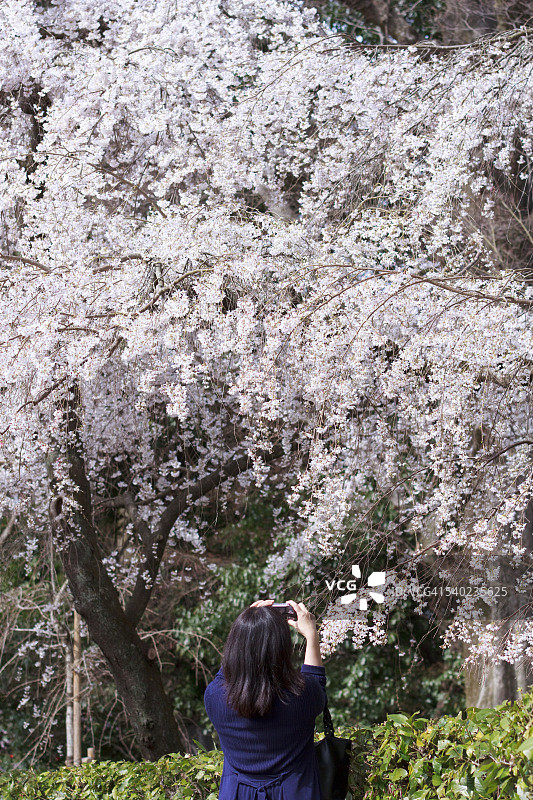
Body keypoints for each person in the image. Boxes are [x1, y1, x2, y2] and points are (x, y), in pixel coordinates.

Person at [204, 598, 326, 800]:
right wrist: (312, 636)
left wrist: (246, 627)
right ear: (282, 648)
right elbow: (316, 682)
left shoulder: (215, 696)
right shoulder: (302, 696)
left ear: (236, 645)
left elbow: (226, 671)